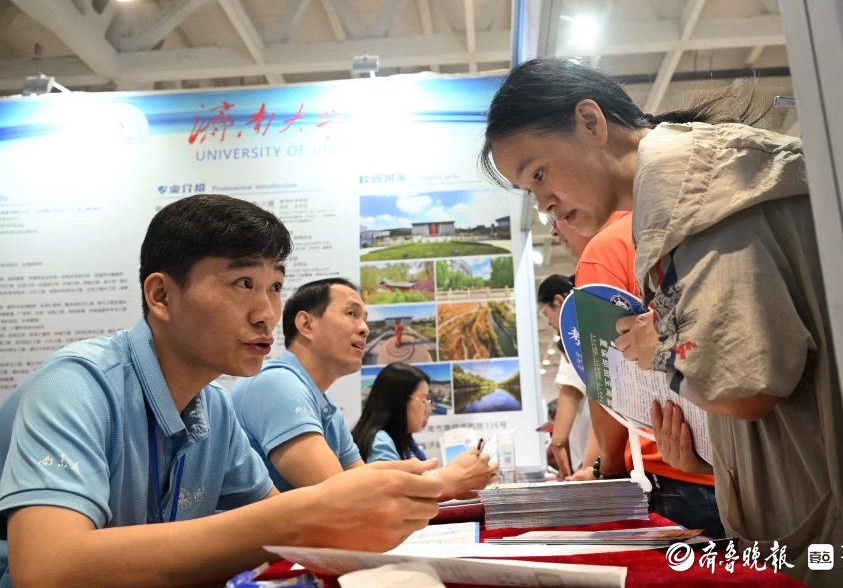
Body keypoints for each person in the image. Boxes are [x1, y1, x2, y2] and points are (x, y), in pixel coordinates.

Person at [479, 57, 843, 587]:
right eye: (529, 190)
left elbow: (742, 387)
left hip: (838, 530)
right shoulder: (687, 188)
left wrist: (662, 343)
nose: (544, 203)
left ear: (591, 123)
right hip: (812, 509)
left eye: (539, 172)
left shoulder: (697, 196)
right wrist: (712, 459)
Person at [0, 195, 442, 587]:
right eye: (243, 284)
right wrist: (300, 514)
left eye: (275, 287)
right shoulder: (77, 384)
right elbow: (47, 568)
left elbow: (272, 530)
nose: (267, 314)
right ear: (161, 296)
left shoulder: (213, 408)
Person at [230, 279, 495, 500]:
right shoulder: (277, 384)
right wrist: (444, 480)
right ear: (306, 324)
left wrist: (438, 476)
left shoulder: (326, 406)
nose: (365, 329)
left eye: (364, 319)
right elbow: (343, 497)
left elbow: (359, 477)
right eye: (351, 314)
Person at [572, 208, 724, 538]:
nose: (548, 208)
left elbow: (609, 382)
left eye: (539, 176)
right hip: (733, 462)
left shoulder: (602, 252)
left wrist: (608, 470)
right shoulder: (701, 222)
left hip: (676, 472)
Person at [352, 362, 499, 498]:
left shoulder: (405, 440)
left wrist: (460, 472)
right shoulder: (380, 442)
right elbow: (397, 497)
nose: (429, 409)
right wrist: (455, 478)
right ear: (399, 401)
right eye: (424, 400)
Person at [536, 273, 596, 480]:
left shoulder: (574, 344)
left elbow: (570, 394)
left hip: (590, 465)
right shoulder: (593, 336)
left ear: (559, 301)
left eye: (546, 313)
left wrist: (558, 445)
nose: (548, 322)